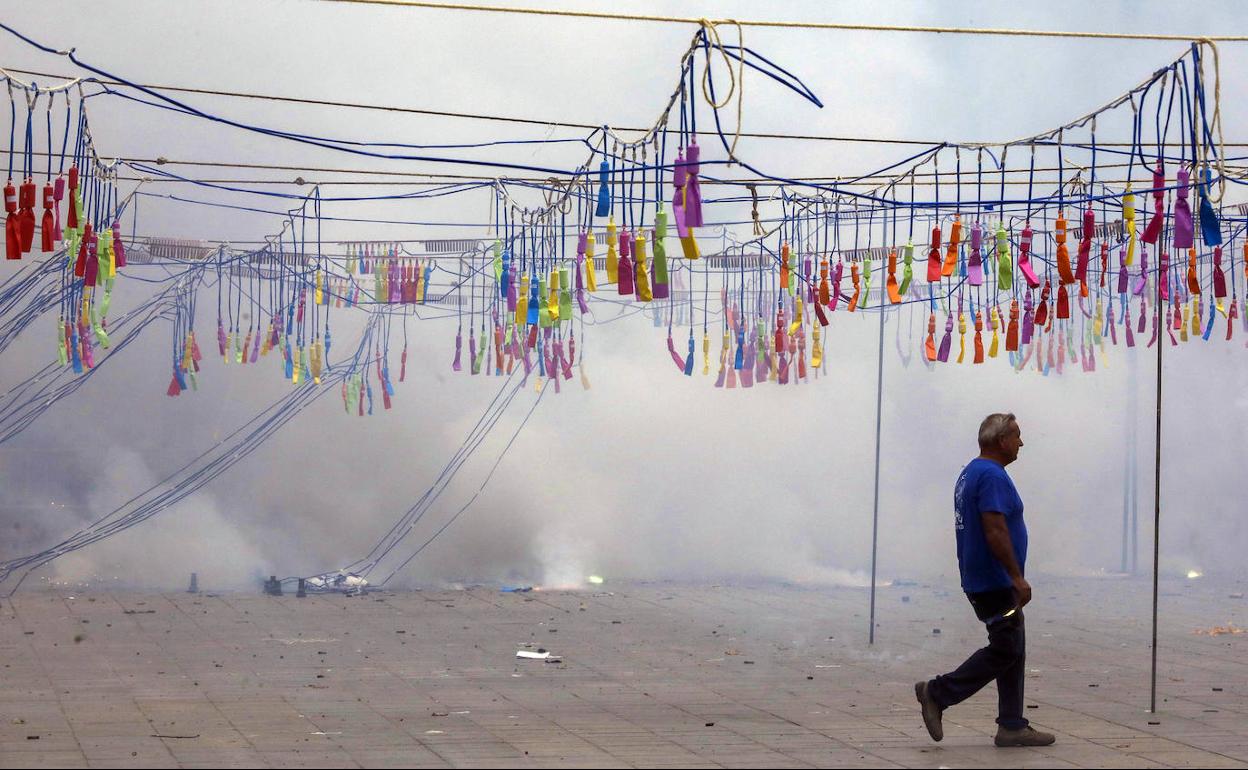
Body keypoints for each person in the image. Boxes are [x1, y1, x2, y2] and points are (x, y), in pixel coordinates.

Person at [914, 413, 1056, 747]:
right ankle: (937, 693)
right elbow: (994, 528)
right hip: (994, 581)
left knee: (1014, 645)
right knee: (1005, 647)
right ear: (1001, 440)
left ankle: (1011, 724)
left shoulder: (972, 472)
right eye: (1017, 436)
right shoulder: (990, 476)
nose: (1021, 443)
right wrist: (1016, 576)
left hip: (985, 577)